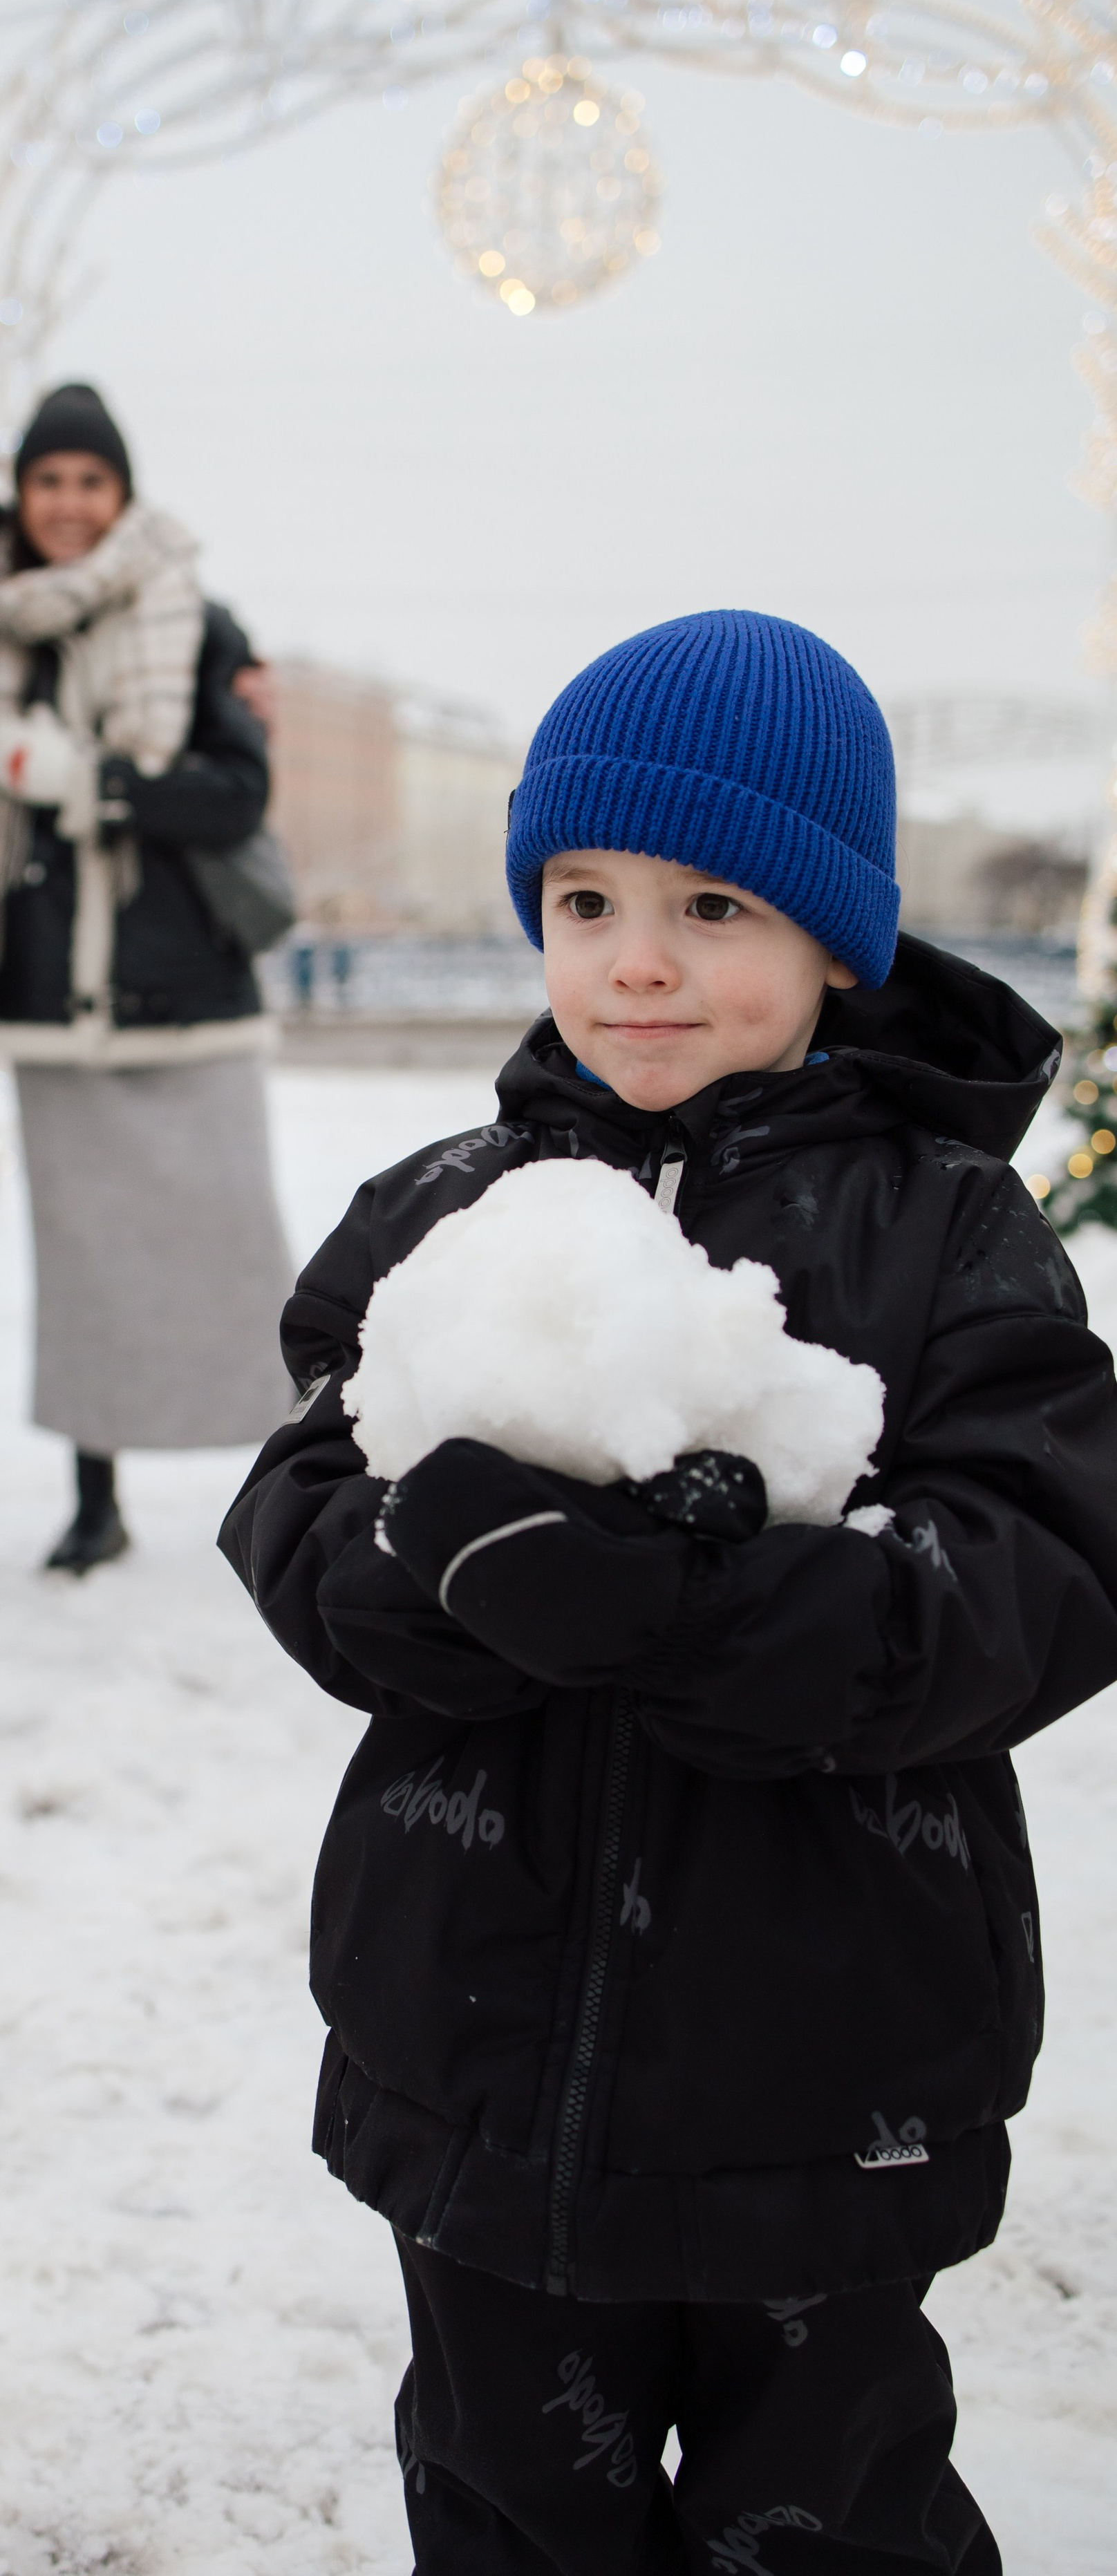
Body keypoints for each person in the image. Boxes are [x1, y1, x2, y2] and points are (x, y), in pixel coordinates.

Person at [220, 608, 1117, 2572]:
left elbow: (1046, 1555)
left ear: (831, 939)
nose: (637, 959)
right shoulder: (451, 1210)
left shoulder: (949, 1228)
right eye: (586, 896)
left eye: (716, 906)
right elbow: (299, 1478)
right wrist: (423, 1574)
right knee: (510, 2500)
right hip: (479, 2031)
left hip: (825, 2053)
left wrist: (724, 1621)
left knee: (831, 2510)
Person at [0, 383, 294, 1572]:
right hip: (53, 1002)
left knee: (241, 1258)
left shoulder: (195, 620)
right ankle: (93, 1500)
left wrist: (95, 784)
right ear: (22, 495)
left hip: (188, 998)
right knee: (88, 1269)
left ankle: (291, 1491)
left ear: (123, 496)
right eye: (47, 481)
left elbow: (235, 793)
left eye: (90, 483)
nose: (67, 504)